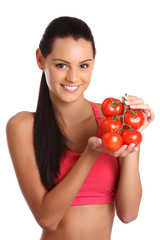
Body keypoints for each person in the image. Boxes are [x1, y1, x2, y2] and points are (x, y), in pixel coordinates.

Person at [6, 16, 155, 240]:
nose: (73, 77)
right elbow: (47, 218)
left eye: (83, 65)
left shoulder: (112, 119)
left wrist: (131, 140)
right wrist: (90, 153)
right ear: (40, 59)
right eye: (61, 65)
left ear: (94, 61)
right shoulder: (23, 126)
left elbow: (129, 214)